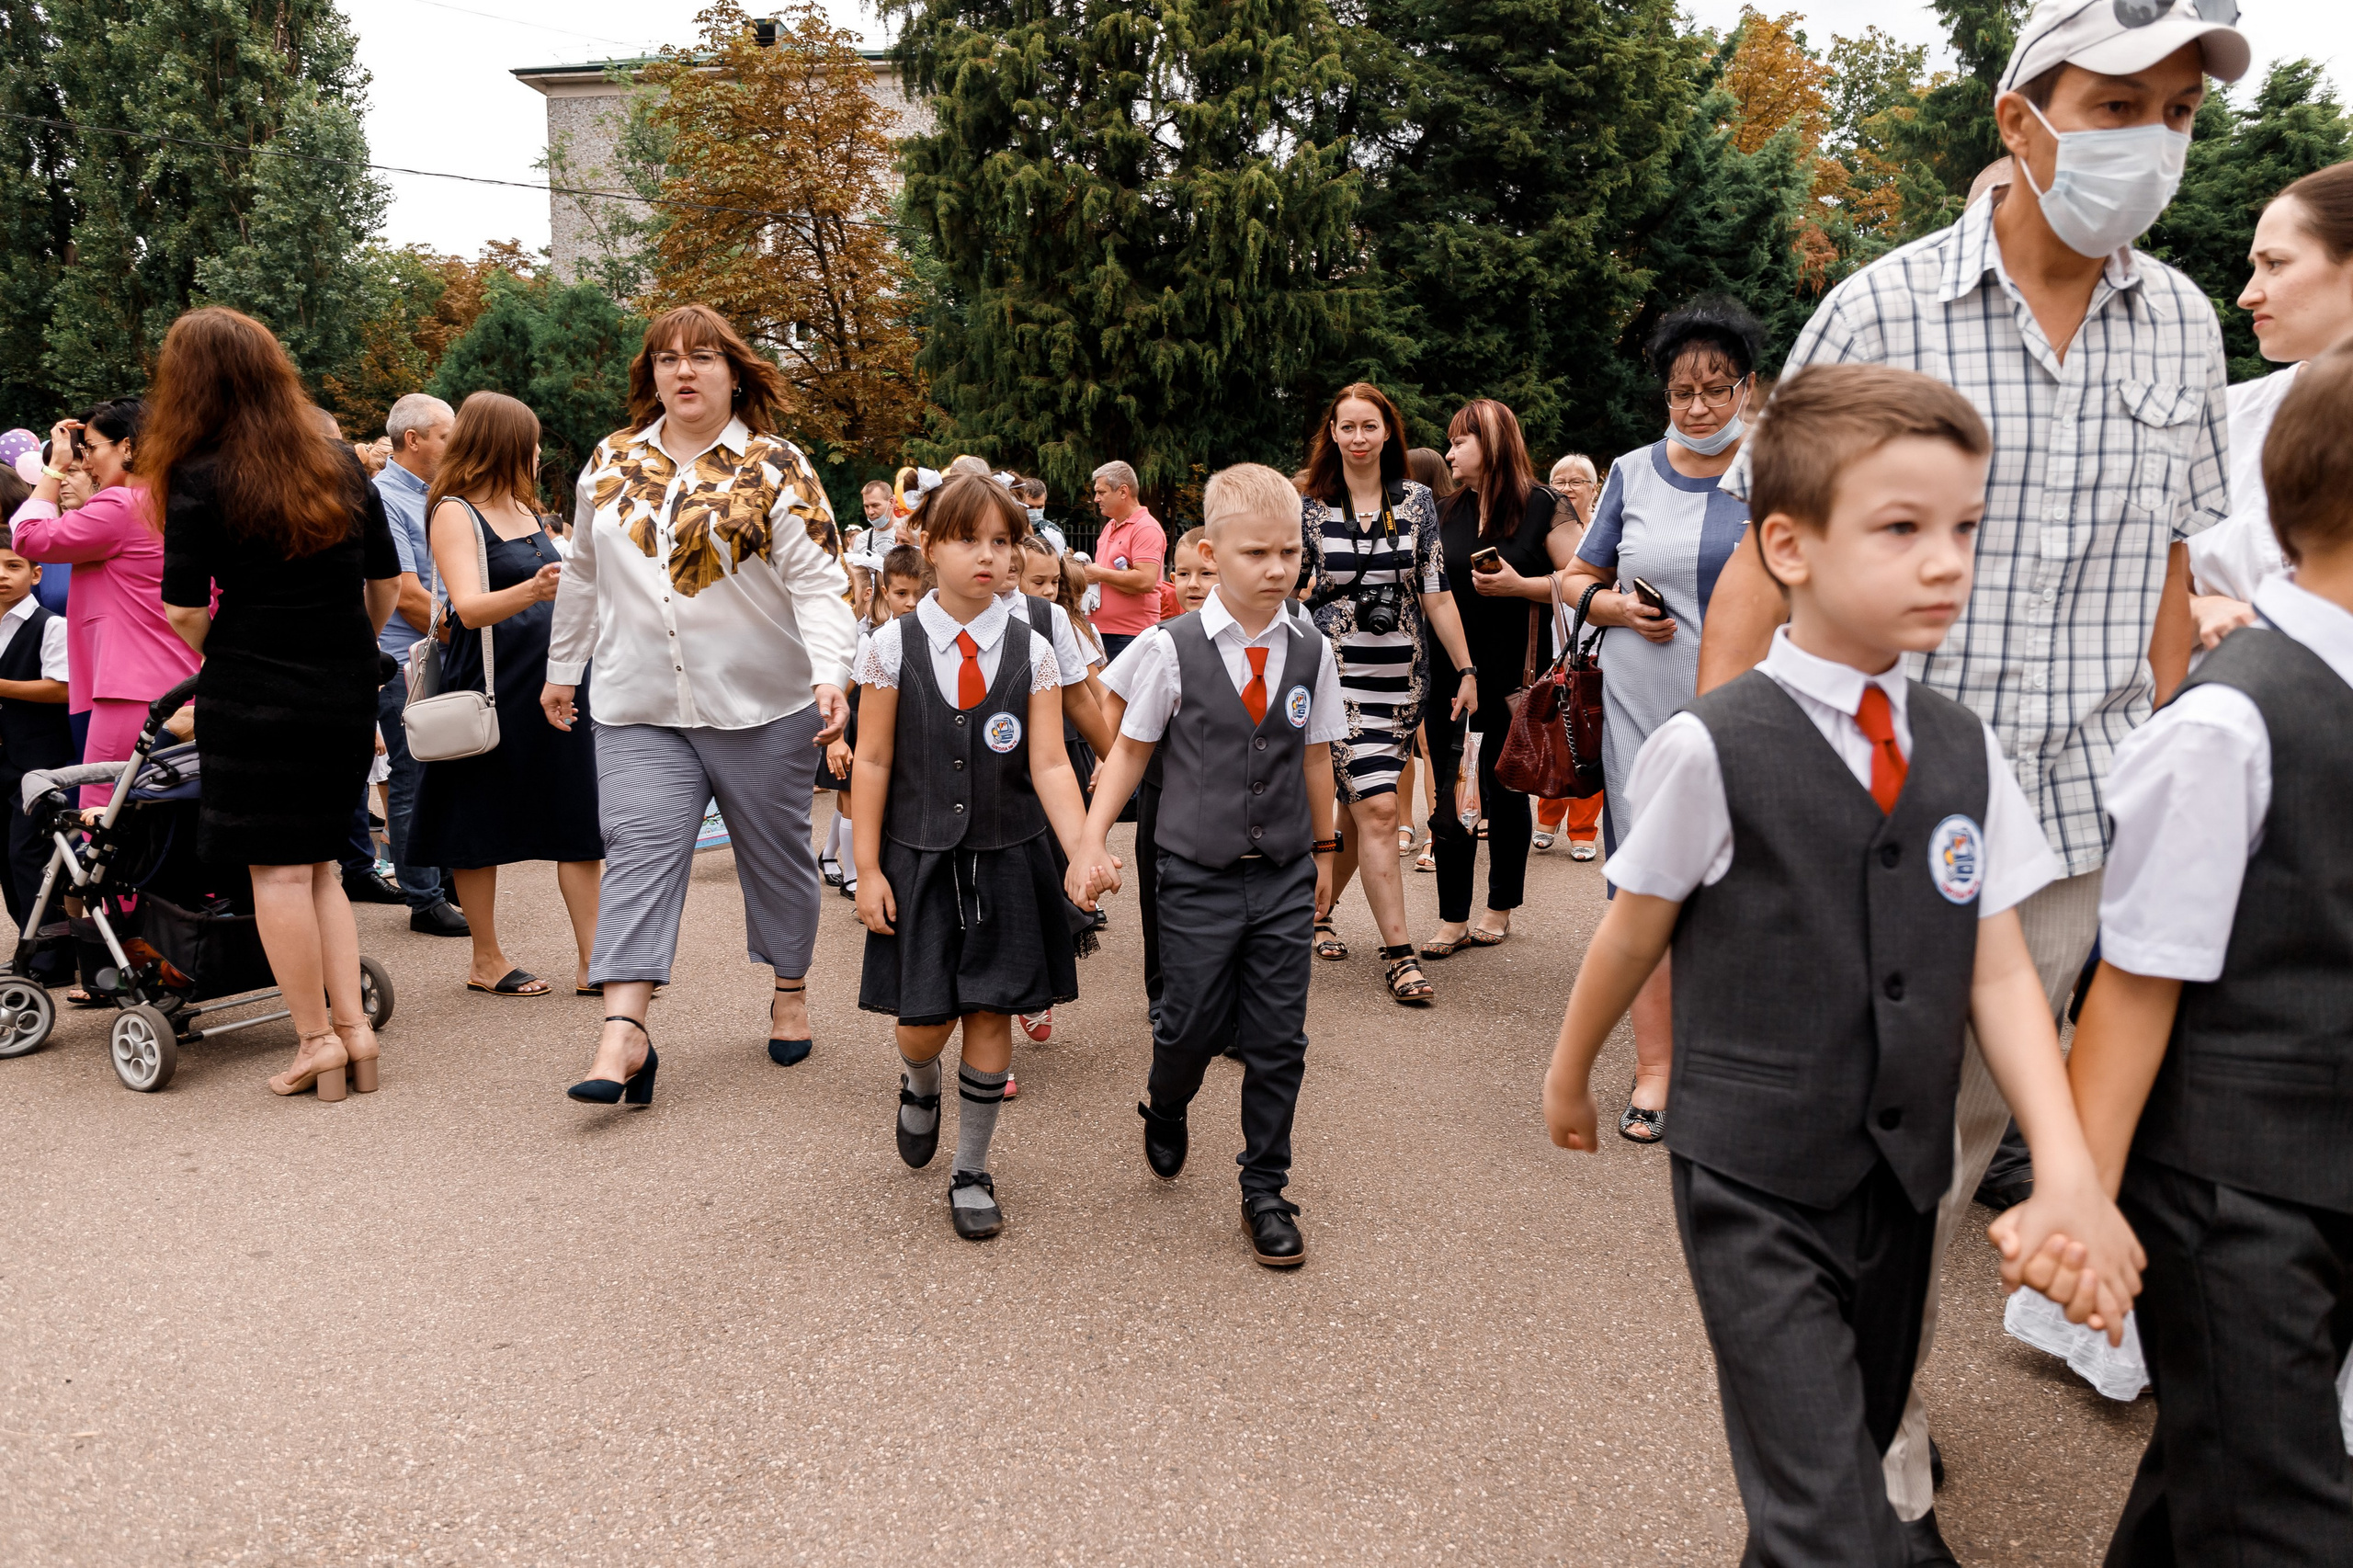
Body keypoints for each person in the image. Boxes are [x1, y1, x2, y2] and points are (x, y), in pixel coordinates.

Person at [1695, 1, 2241, 1528]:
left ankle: (1870, 1377)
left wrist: (2182, 788)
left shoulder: (2187, 325)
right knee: (1865, 1156)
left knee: (1963, 1152)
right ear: (2021, 118)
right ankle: (1859, 1464)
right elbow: (1760, 572)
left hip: (2076, 826)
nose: (2151, 140)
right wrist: (1745, 820)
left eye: (2180, 115)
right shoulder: (1880, 310)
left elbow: (2168, 589)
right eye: (2116, 101)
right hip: (1882, 818)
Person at [1541, 362, 2140, 1564]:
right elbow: (1632, 926)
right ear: (1791, 546)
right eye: (1902, 528)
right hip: (1754, 1180)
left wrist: (2067, 1163)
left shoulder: (1962, 747)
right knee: (1828, 1519)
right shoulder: (1714, 745)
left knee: (1838, 1461)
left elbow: (2000, 969)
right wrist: (1570, 1075)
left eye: (1966, 527)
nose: (1946, 561)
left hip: (1899, 1188)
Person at [2059, 342, 2353, 1567]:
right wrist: (2073, 1199)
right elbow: (2135, 979)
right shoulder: (2234, 716)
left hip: (2325, 1165)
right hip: (2230, 1186)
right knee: (2282, 1518)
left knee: (2209, 1475)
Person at [548, 303, 858, 1102]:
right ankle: (624, 1032)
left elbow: (822, 580)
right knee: (640, 853)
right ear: (650, 376)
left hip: (763, 703)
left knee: (777, 859)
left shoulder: (776, 464)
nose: (683, 371)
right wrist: (562, 667)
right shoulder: (610, 463)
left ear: (733, 372)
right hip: (637, 701)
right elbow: (583, 573)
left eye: (703, 357)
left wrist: (832, 672)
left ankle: (789, 991)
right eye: (666, 359)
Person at [1069, 462, 1344, 1269]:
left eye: (1290, 552)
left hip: (1285, 871)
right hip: (1193, 873)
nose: (1277, 569)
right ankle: (1167, 1100)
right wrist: (1092, 840)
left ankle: (1266, 1186)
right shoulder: (1169, 648)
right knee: (1186, 1021)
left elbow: (1317, 758)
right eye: (1257, 553)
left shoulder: (1311, 648)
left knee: (1278, 1037)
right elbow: (1126, 754)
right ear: (1212, 555)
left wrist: (1325, 852)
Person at [148, 307, 403, 1102]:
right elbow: (386, 585)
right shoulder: (337, 460)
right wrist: (339, 651)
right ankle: (356, 1036)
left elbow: (185, 610)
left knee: (280, 876)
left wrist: (237, 651)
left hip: (252, 687)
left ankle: (316, 1041)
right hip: (341, 687)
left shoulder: (196, 472)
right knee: (324, 862)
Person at [852, 475, 1089, 1241]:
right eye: (968, 540)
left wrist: (1084, 845)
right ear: (929, 544)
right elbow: (875, 761)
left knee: (991, 1011)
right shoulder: (892, 647)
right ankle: (919, 1084)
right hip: (916, 860)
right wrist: (866, 867)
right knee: (924, 1024)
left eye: (1001, 541)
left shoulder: (1036, 648)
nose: (987, 556)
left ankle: (972, 1168)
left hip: (1010, 857)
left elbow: (1052, 763)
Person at [1559, 296, 1767, 1142]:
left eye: (1717, 389)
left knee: (1742, 887)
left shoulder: (1780, 466)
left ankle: (1734, 1063)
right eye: (1683, 391)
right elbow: (1575, 579)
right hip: (1640, 711)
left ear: (1747, 389)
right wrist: (1611, 607)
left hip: (1747, 710)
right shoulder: (1632, 470)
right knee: (1643, 881)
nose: (1699, 407)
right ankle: (1656, 1070)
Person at [408, 392, 603, 999]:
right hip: (490, 683)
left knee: (578, 815)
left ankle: (595, 961)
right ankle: (486, 959)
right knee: (475, 818)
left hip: (554, 680)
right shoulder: (454, 512)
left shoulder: (525, 506)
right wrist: (537, 591)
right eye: (531, 439)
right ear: (505, 443)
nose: (539, 450)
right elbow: (467, 607)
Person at [1295, 384, 1476, 1005]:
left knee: (1356, 812)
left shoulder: (1419, 501)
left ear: (1387, 432)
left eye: (1369, 426)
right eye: (1346, 427)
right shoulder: (1312, 507)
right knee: (1378, 809)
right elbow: (1286, 591)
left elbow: (1436, 591)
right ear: (1333, 434)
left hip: (1402, 685)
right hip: (1334, 682)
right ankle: (1399, 955)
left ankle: (1312, 915)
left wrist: (1467, 668)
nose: (1358, 438)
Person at [1419, 399, 1577, 960]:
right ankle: (1451, 916)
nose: (1450, 451)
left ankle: (1499, 905)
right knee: (1448, 790)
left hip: (1514, 675)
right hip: (1450, 673)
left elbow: (1582, 581)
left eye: (1461, 440)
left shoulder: (1543, 507)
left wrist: (1522, 587)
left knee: (1505, 789)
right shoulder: (1442, 510)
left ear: (1492, 442)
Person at [2185, 161, 2353, 645]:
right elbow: (2139, 582)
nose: (2246, 295)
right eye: (2253, 267)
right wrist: (2202, 607)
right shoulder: (2218, 421)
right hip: (2234, 705)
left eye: (2275, 264)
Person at [7, 399, 201, 808]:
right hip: (181, 680)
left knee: (105, 813)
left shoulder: (120, 506)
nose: (87, 461)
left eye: (91, 448)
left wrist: (53, 469)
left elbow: (28, 537)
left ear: (127, 447)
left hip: (129, 689)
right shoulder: (177, 503)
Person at [369, 392, 469, 938]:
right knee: (411, 778)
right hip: (406, 655)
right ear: (414, 440)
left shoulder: (438, 497)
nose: (453, 447)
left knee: (444, 770)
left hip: (438, 649)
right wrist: (471, 627)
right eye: (446, 437)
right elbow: (407, 594)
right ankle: (424, 898)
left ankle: (446, 877)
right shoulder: (383, 497)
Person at [0, 529, 74, 978]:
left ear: (36, 572)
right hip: (2, 762)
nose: (2, 577)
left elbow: (62, 689)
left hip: (40, 763)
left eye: (13, 566)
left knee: (32, 856)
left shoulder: (51, 625)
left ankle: (54, 958)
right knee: (6, 860)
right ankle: (30, 950)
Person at [1534, 453, 1603, 862]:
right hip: (1552, 648)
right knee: (1550, 733)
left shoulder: (1602, 530)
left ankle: (1582, 829)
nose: (1567, 488)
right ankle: (1546, 819)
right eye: (1559, 480)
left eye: (1578, 481)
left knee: (1589, 737)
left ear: (1593, 489)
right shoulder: (1546, 532)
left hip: (1597, 648)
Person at [1082, 460, 1165, 661]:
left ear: (1123, 491)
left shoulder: (1146, 528)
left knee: (1126, 693)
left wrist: (1098, 573)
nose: (1096, 499)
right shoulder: (1111, 525)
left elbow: (1146, 581)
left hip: (1130, 635)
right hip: (1103, 632)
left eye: (1101, 492)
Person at [1014, 476, 1066, 554]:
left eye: (1040, 507)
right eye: (1030, 507)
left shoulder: (1053, 532)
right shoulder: (1011, 529)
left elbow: (1065, 562)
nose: (1035, 511)